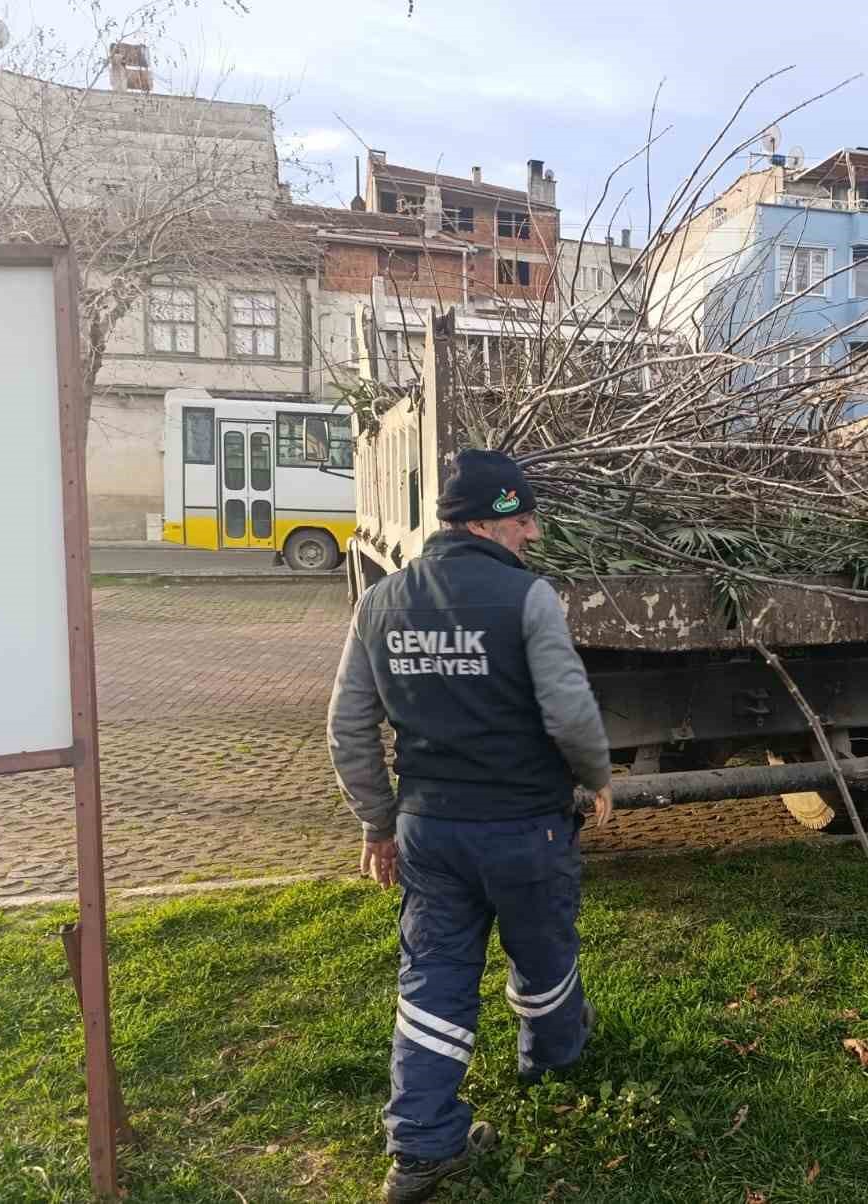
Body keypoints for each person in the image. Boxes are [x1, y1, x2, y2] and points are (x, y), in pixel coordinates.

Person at [328, 449, 614, 1203]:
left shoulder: (379, 603)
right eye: (523, 522)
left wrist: (377, 823)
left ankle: (421, 1150)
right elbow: (569, 711)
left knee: (434, 977)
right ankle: (551, 1061)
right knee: (545, 948)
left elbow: (347, 730)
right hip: (525, 827)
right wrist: (597, 776)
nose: (532, 535)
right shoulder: (529, 599)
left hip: (430, 831)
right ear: (489, 522)